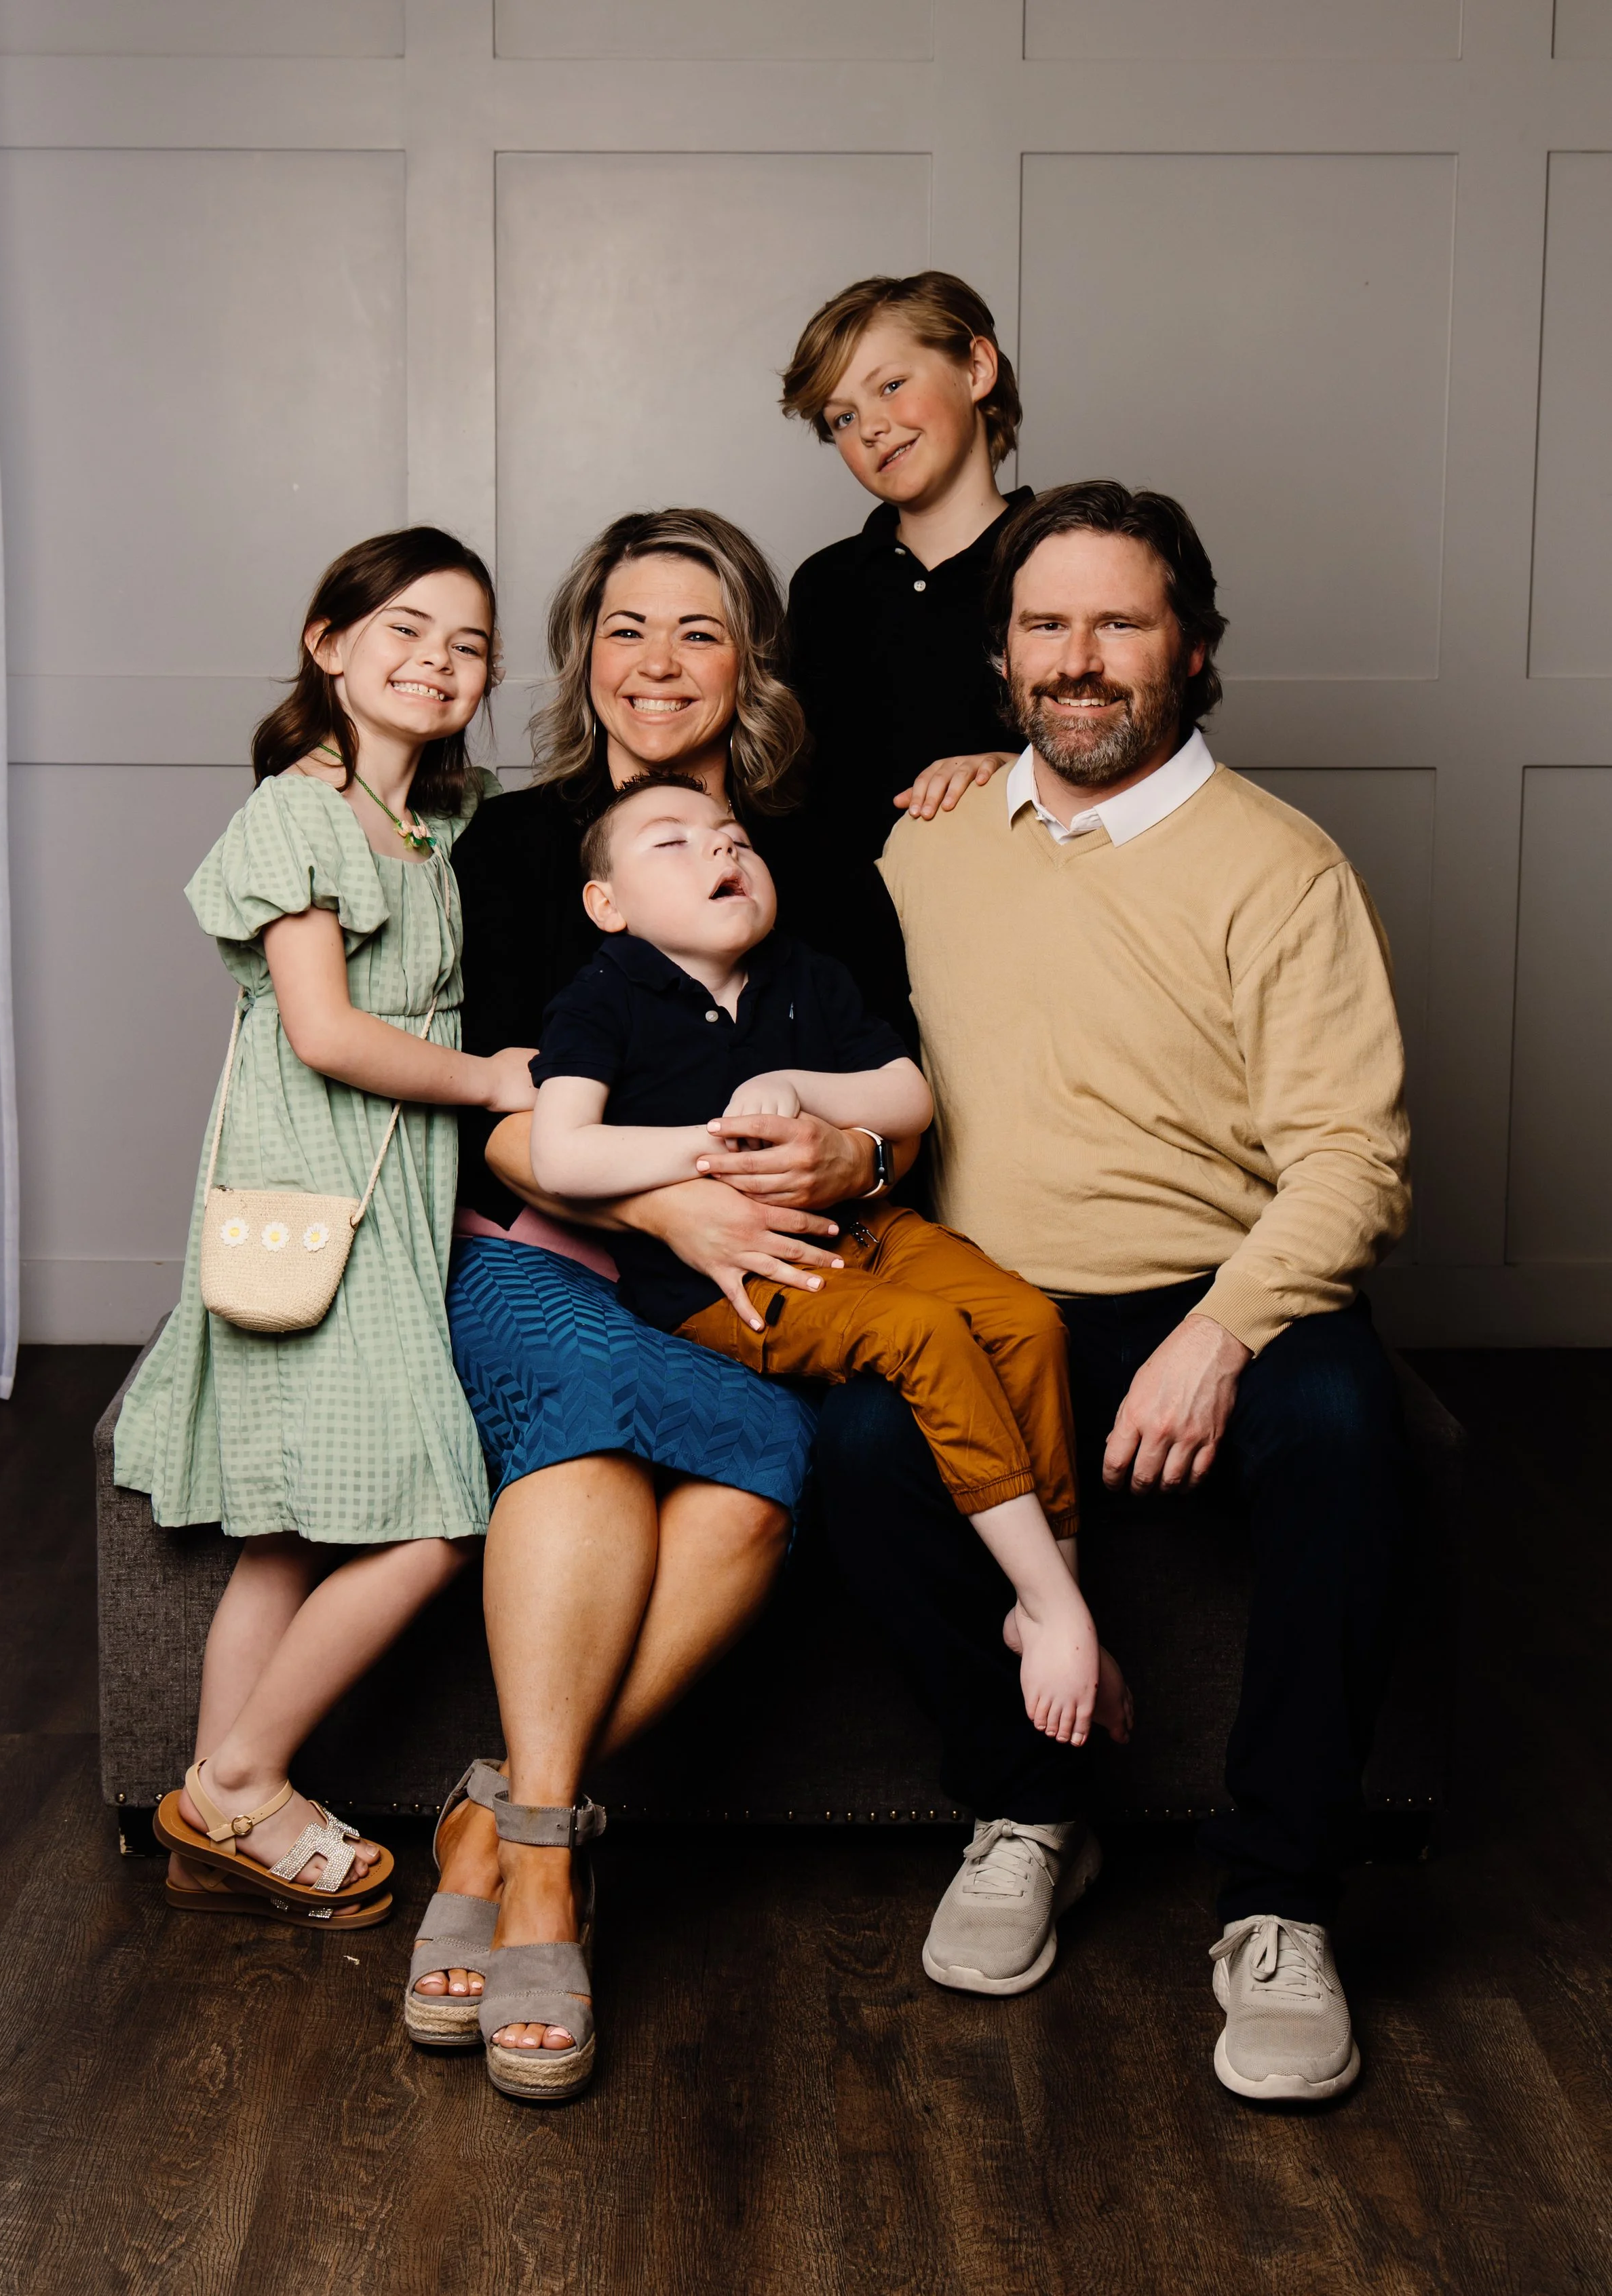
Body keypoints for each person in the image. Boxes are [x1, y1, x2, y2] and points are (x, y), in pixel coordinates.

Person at [864, 480, 1412, 2101]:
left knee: (1348, 1439)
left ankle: (1279, 1898)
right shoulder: (932, 836)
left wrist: (1222, 1332)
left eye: (1121, 621)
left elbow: (1352, 1157)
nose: (1081, 659)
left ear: (1193, 648)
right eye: (1047, 624)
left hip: (1223, 1288)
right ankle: (1029, 1807)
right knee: (848, 1457)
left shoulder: (1280, 866)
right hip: (997, 1307)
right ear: (1004, 654)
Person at [415, 509, 891, 2101]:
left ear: (748, 657)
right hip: (547, 1251)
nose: (658, 663)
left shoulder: (809, 856)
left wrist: (850, 1146)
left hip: (732, 1288)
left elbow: (894, 1083)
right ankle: (546, 1873)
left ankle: (491, 1813)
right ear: (584, 654)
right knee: (583, 1434)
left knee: (763, 1470)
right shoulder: (512, 846)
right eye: (627, 628)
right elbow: (490, 1108)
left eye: (698, 630)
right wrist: (658, 1194)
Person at [526, 771, 1132, 1755]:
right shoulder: (602, 1000)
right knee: (924, 1335)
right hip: (742, 1279)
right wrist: (718, 1144)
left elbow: (908, 1095)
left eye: (733, 837)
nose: (723, 851)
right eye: (673, 844)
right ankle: (1053, 1608)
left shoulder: (806, 973)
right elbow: (560, 1153)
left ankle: (1051, 1594)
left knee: (1028, 1319)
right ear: (609, 906)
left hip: (867, 1223)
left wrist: (795, 1087)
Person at [114, 528, 535, 1928]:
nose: (437, 661)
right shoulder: (297, 814)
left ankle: (205, 1826)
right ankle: (240, 1787)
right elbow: (324, 1030)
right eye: (405, 628)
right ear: (327, 641)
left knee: (286, 1538)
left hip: (394, 1206)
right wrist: (488, 1079)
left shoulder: (437, 823)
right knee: (433, 1523)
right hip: (316, 1208)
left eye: (467, 643)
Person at [780, 269, 1031, 860]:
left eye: (891, 385)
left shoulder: (1065, 562)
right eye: (842, 418)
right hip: (845, 930)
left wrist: (1023, 772)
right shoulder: (823, 586)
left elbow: (1140, 761)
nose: (870, 427)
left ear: (977, 369)